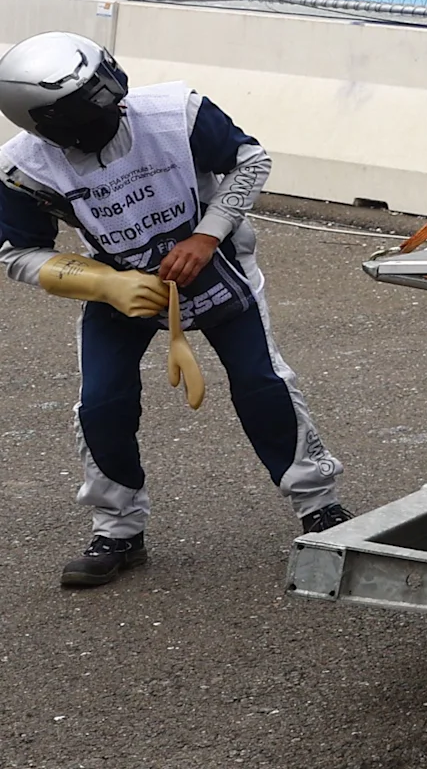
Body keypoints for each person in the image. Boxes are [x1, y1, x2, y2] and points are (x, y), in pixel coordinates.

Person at [0, 33, 348, 588]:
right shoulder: (24, 168)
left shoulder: (174, 112)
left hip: (217, 270)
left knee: (262, 382)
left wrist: (207, 236)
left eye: (107, 89)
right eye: (89, 103)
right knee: (101, 403)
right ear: (45, 123)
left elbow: (249, 160)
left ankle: (320, 507)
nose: (111, 105)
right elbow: (17, 252)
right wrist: (102, 282)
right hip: (119, 289)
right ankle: (117, 529)